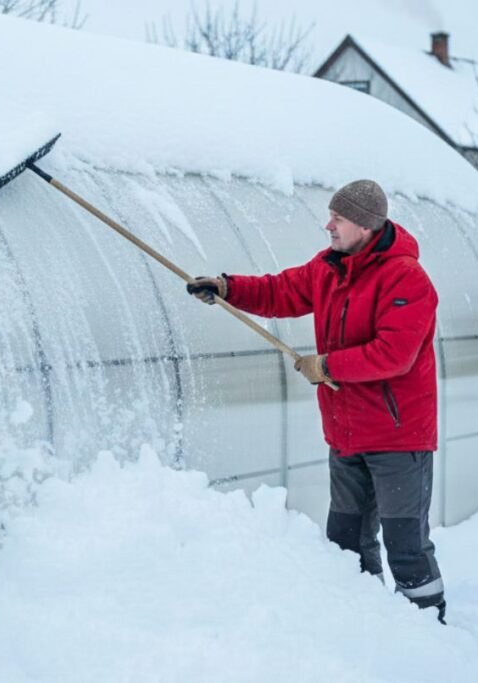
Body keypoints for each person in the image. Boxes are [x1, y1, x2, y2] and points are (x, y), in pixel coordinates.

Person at [186, 180, 445, 623]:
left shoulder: (406, 278)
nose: (328, 225)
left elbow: (394, 355)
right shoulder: (330, 268)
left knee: (406, 546)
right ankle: (364, 627)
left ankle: (431, 635)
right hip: (346, 436)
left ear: (364, 225)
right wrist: (228, 288)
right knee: (345, 544)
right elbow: (280, 291)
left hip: (399, 439)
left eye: (338, 219)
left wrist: (326, 367)